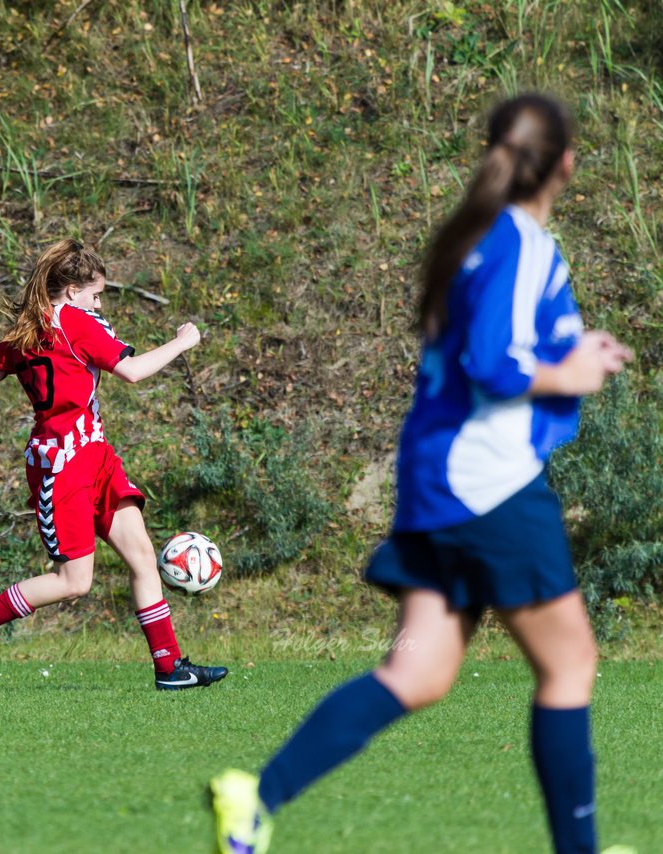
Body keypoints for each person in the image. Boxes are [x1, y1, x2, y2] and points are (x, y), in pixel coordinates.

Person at [211, 94, 634, 853]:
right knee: (571, 660)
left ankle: (255, 800)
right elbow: (492, 365)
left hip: (440, 483)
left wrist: (570, 356)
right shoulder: (517, 242)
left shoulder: (472, 239)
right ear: (567, 163)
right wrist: (569, 371)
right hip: (491, 486)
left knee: (419, 672)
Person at [0, 238, 227, 691]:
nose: (99, 302)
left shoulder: (27, 329)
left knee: (142, 555)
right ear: (71, 291)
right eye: (95, 294)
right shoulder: (74, 323)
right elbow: (133, 371)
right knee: (74, 581)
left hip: (95, 455)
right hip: (61, 466)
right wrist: (183, 342)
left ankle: (170, 668)